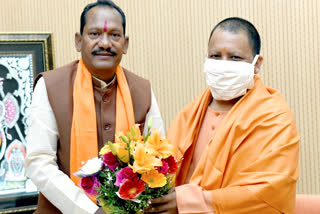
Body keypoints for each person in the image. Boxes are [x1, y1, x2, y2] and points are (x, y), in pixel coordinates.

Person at [146, 17, 299, 214]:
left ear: (256, 63)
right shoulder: (188, 117)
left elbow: (269, 192)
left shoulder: (275, 118)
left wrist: (187, 203)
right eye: (216, 56)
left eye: (235, 58)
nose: (223, 65)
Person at [24, 0, 164, 213]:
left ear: (125, 44)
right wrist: (89, 211)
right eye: (95, 34)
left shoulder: (142, 90)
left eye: (114, 35)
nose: (105, 43)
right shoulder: (50, 85)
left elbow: (157, 155)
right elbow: (39, 162)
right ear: (79, 41)